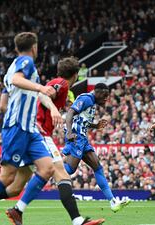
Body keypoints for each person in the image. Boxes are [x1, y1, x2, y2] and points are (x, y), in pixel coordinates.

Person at [0, 57, 104, 225]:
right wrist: (54, 109)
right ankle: (77, 220)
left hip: (32, 132)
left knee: (15, 187)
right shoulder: (61, 83)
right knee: (61, 174)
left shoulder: (61, 86)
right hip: (39, 134)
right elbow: (43, 95)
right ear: (76, 74)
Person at [0, 32, 62, 225]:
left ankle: (18, 210)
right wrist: (40, 89)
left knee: (47, 168)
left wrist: (47, 106)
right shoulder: (26, 62)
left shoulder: (13, 68)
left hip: (29, 129)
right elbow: (18, 80)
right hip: (18, 127)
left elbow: (2, 104)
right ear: (34, 47)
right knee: (7, 176)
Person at [62, 83, 130, 212]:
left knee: (98, 167)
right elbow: (70, 112)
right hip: (76, 136)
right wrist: (70, 132)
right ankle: (47, 168)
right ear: (97, 92)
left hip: (83, 138)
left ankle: (113, 202)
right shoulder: (86, 99)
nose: (106, 99)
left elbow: (82, 120)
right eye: (104, 96)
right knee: (69, 170)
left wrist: (95, 126)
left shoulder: (92, 102)